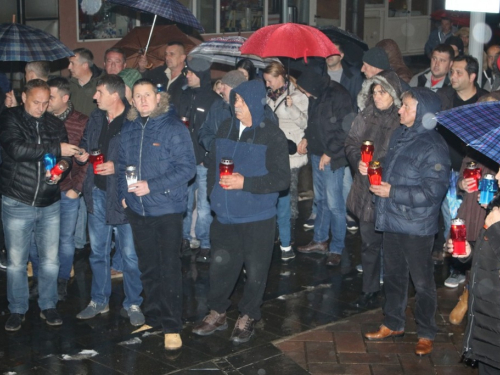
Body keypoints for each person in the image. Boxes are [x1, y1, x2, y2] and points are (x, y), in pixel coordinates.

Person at [192, 80, 290, 343]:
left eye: (242, 101)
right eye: (235, 100)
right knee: (220, 267)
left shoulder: (272, 135)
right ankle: (218, 311)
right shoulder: (225, 128)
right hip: (224, 215)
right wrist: (214, 194)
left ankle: (249, 314)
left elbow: (282, 179)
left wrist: (244, 182)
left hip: (257, 217)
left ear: (255, 104)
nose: (236, 105)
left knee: (257, 271)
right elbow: (213, 164)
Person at [365, 87, 450, 357]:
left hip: (416, 226)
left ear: (422, 112)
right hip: (392, 219)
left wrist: (392, 192)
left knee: (423, 283)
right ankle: (393, 322)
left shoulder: (434, 146)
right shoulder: (401, 134)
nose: (400, 110)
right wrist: (374, 168)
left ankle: (426, 333)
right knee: (393, 276)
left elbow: (432, 193)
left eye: (406, 106)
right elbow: (393, 168)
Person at [118, 78, 196, 350]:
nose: (142, 100)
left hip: (166, 209)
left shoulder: (173, 128)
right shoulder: (128, 128)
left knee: (169, 268)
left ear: (158, 97)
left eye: (147, 95)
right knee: (148, 267)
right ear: (132, 100)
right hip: (138, 210)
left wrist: (152, 185)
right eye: (137, 96)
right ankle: (154, 317)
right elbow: (120, 166)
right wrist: (124, 196)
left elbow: (188, 169)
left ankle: (173, 326)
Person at [0, 79, 79, 331]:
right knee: (16, 261)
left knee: (50, 260)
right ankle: (17, 308)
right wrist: (56, 148)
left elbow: (66, 158)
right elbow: (16, 149)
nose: (41, 108)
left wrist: (60, 169)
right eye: (36, 102)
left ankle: (48, 305)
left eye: (46, 103)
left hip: (49, 202)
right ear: (24, 97)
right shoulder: (10, 117)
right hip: (17, 199)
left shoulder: (54, 123)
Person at [74, 75, 144, 327]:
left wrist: (118, 165)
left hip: (124, 196)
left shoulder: (134, 121)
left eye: (99, 92)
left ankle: (133, 302)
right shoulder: (96, 117)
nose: (95, 97)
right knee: (98, 252)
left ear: (115, 95)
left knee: (130, 255)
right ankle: (98, 300)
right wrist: (81, 154)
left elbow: (144, 157)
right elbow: (86, 143)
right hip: (98, 192)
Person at [345, 71, 403, 308]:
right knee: (368, 243)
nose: (377, 97)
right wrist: (357, 158)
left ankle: (394, 292)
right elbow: (350, 142)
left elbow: (403, 154)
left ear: (393, 94)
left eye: (382, 92)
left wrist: (382, 167)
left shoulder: (400, 120)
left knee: (392, 247)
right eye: (374, 92)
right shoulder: (365, 115)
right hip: (365, 190)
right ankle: (369, 289)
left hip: (388, 190)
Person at [27, 77, 88, 301]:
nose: (45, 102)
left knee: (65, 239)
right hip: (39, 191)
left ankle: (62, 280)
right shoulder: (38, 120)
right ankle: (39, 279)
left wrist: (77, 189)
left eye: (50, 97)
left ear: (65, 98)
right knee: (34, 238)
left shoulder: (81, 121)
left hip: (66, 191)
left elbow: (88, 158)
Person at [437, 55, 488, 278]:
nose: (453, 76)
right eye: (452, 72)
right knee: (453, 219)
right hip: (449, 169)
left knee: (470, 221)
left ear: (473, 76)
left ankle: (463, 270)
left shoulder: (484, 103)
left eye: (459, 72)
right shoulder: (445, 98)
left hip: (474, 173)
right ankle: (458, 262)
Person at [296, 70, 354, 267]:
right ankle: (320, 240)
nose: (305, 95)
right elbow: (314, 122)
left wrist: (329, 153)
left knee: (335, 204)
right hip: (316, 153)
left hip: (333, 157)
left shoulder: (339, 95)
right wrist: (306, 137)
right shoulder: (316, 94)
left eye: (305, 91)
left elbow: (346, 128)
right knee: (320, 200)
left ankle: (336, 247)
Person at [446, 166, 500, 375]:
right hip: (488, 317)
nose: (495, 176)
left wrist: (495, 229)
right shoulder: (496, 207)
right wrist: (469, 252)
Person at [178, 57, 222, 263]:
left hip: (204, 162)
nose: (187, 75)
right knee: (184, 204)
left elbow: (216, 132)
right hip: (184, 161)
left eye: (191, 72)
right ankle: (184, 240)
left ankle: (205, 244)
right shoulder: (182, 96)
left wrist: (207, 157)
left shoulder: (214, 100)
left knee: (204, 207)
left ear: (201, 75)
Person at [263, 61, 309, 260]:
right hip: (274, 151)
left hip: (291, 153)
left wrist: (292, 108)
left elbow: (305, 122)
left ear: (280, 76)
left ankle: (287, 238)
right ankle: (277, 233)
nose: (267, 84)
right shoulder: (269, 97)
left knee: (288, 196)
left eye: (270, 80)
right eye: (265, 81)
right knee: (274, 195)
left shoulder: (297, 96)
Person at [138, 41, 187, 112]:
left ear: (182, 58)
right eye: (166, 54)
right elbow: (143, 84)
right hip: (156, 118)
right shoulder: (158, 72)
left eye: (172, 54)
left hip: (178, 119)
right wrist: (142, 70)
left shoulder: (189, 77)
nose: (167, 57)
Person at [325, 41, 364, 108]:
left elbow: (358, 102)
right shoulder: (318, 73)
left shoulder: (354, 75)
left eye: (334, 51)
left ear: (341, 56)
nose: (330, 54)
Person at [68, 48, 100, 117]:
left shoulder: (101, 84)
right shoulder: (68, 84)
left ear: (85, 65)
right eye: (69, 63)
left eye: (72, 63)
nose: (69, 67)